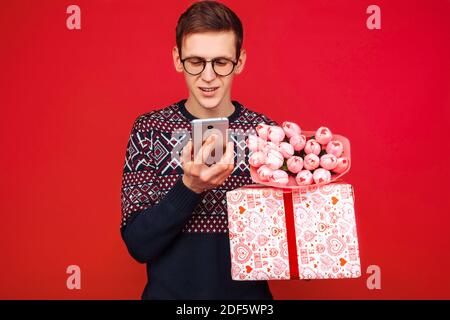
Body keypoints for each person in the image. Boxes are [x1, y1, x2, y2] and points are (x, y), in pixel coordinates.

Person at [120, 0, 277, 299]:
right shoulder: (150, 131)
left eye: (221, 62)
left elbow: (279, 245)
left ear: (239, 62)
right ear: (178, 60)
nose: (208, 76)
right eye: (195, 62)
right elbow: (138, 244)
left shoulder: (265, 133)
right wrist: (189, 188)